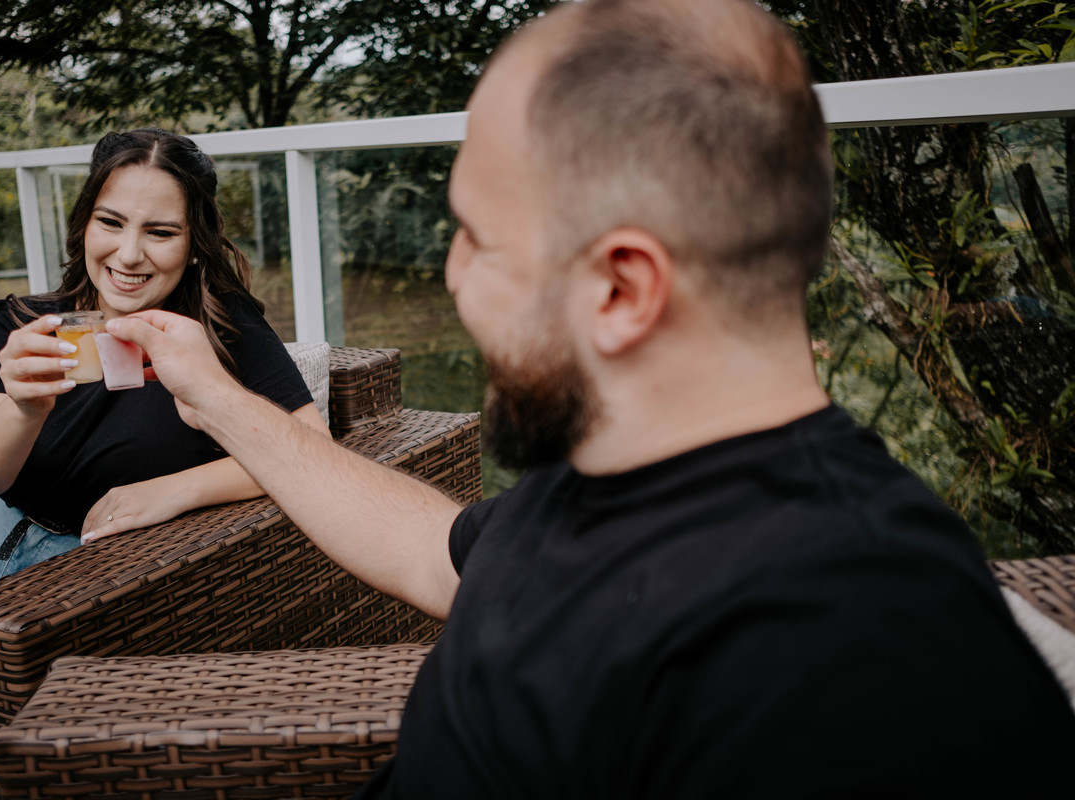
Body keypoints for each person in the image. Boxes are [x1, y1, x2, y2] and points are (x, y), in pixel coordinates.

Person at [111, 1, 1075, 796]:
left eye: (478, 238)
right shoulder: (622, 475)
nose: (451, 277)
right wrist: (220, 399)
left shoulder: (839, 655)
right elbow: (435, 553)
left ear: (620, 288)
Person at [0, 128, 327, 799]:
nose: (129, 253)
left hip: (78, 577)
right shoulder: (20, 323)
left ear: (194, 242)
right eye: (111, 222)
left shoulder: (218, 329)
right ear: (85, 222)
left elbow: (311, 450)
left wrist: (176, 489)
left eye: (161, 232)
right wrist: (24, 407)